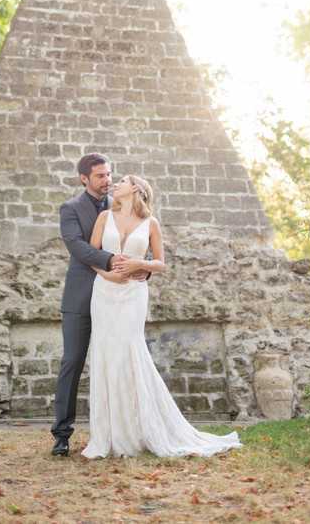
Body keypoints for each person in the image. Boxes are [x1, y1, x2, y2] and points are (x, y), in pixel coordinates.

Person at [81, 173, 241, 459]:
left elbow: (160, 263)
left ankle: (140, 430)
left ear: (136, 190)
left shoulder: (150, 223)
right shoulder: (105, 217)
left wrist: (139, 264)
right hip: (104, 292)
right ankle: (109, 436)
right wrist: (109, 275)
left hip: (134, 294)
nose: (114, 184)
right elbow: (91, 254)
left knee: (130, 351)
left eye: (121, 182)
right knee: (106, 352)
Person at [50, 154, 147, 457]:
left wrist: (139, 269)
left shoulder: (120, 205)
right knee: (73, 362)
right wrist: (109, 260)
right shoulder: (70, 209)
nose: (107, 181)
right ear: (84, 179)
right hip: (81, 296)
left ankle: (124, 433)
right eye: (100, 176)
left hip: (118, 299)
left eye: (109, 175)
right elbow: (77, 246)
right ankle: (62, 435)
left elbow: (139, 242)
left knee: (122, 362)